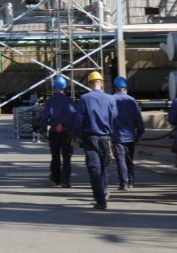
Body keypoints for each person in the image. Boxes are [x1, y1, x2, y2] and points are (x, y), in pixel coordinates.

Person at [75, 70, 117, 210]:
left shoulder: (84, 99)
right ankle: (104, 192)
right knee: (103, 168)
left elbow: (79, 119)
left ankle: (100, 200)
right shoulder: (111, 99)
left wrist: (78, 136)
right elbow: (114, 118)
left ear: (90, 83)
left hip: (90, 138)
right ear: (101, 83)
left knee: (94, 169)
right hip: (106, 138)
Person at [39, 75, 77, 188]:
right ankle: (65, 181)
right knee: (66, 157)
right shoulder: (70, 102)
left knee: (55, 157)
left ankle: (56, 179)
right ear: (65, 87)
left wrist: (42, 130)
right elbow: (76, 118)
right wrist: (76, 133)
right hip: (67, 133)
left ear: (54, 87)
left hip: (54, 132)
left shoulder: (50, 101)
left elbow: (45, 117)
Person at [111, 76, 145, 190]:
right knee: (129, 159)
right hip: (130, 136)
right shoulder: (131, 100)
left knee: (120, 160)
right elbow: (138, 118)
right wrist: (140, 133)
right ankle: (131, 181)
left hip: (116, 136)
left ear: (115, 87)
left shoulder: (110, 100)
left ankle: (123, 183)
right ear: (125, 88)